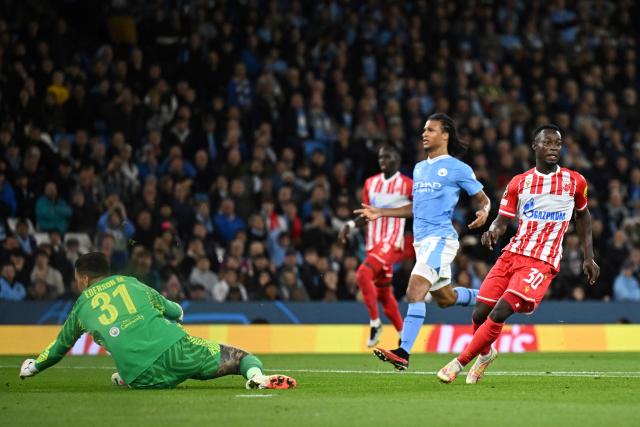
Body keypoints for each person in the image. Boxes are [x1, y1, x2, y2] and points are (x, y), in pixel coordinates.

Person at [436, 124, 600, 384]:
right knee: (480, 313)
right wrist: (493, 229)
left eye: (557, 143)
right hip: (513, 253)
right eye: (547, 143)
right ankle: (486, 354)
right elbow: (503, 220)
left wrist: (588, 256)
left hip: (542, 261)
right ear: (535, 146)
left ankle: (458, 363)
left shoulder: (574, 181)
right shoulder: (519, 183)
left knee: (500, 312)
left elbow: (583, 216)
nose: (554, 148)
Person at [19, 252, 296, 390]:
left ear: (83, 278)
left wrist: (33, 366)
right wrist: (177, 313)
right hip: (177, 351)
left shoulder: (80, 307)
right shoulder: (131, 283)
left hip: (142, 377)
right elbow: (173, 311)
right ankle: (256, 378)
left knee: (125, 370)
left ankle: (126, 377)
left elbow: (58, 348)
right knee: (239, 357)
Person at [356, 113, 491, 370]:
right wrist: (381, 212)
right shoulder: (419, 168)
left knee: (414, 289)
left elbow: (483, 198)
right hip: (422, 243)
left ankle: (403, 352)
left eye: (430, 129)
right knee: (446, 298)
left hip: (441, 239)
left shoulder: (457, 167)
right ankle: (490, 298)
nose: (424, 134)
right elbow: (416, 208)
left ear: (445, 135)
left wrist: (484, 211)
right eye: (423, 130)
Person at [339, 144, 414, 347]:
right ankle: (404, 335)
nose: (382, 160)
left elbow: (419, 209)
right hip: (373, 244)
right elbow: (366, 214)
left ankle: (375, 323)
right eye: (380, 157)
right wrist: (350, 224)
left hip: (391, 242)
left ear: (397, 160)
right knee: (383, 293)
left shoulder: (407, 185)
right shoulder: (370, 183)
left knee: (362, 275)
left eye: (387, 157)